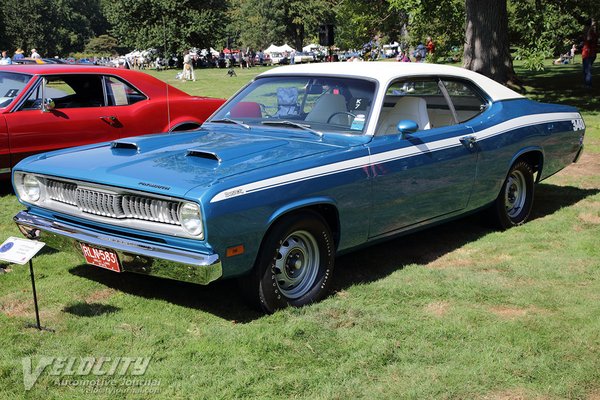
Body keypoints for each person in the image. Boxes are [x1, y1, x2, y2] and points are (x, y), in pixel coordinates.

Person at [582, 19, 598, 88]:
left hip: (589, 53)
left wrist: (590, 29)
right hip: (586, 54)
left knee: (587, 70)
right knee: (585, 70)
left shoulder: (592, 33)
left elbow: (588, 39)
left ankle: (588, 85)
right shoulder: (591, 32)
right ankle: (586, 84)